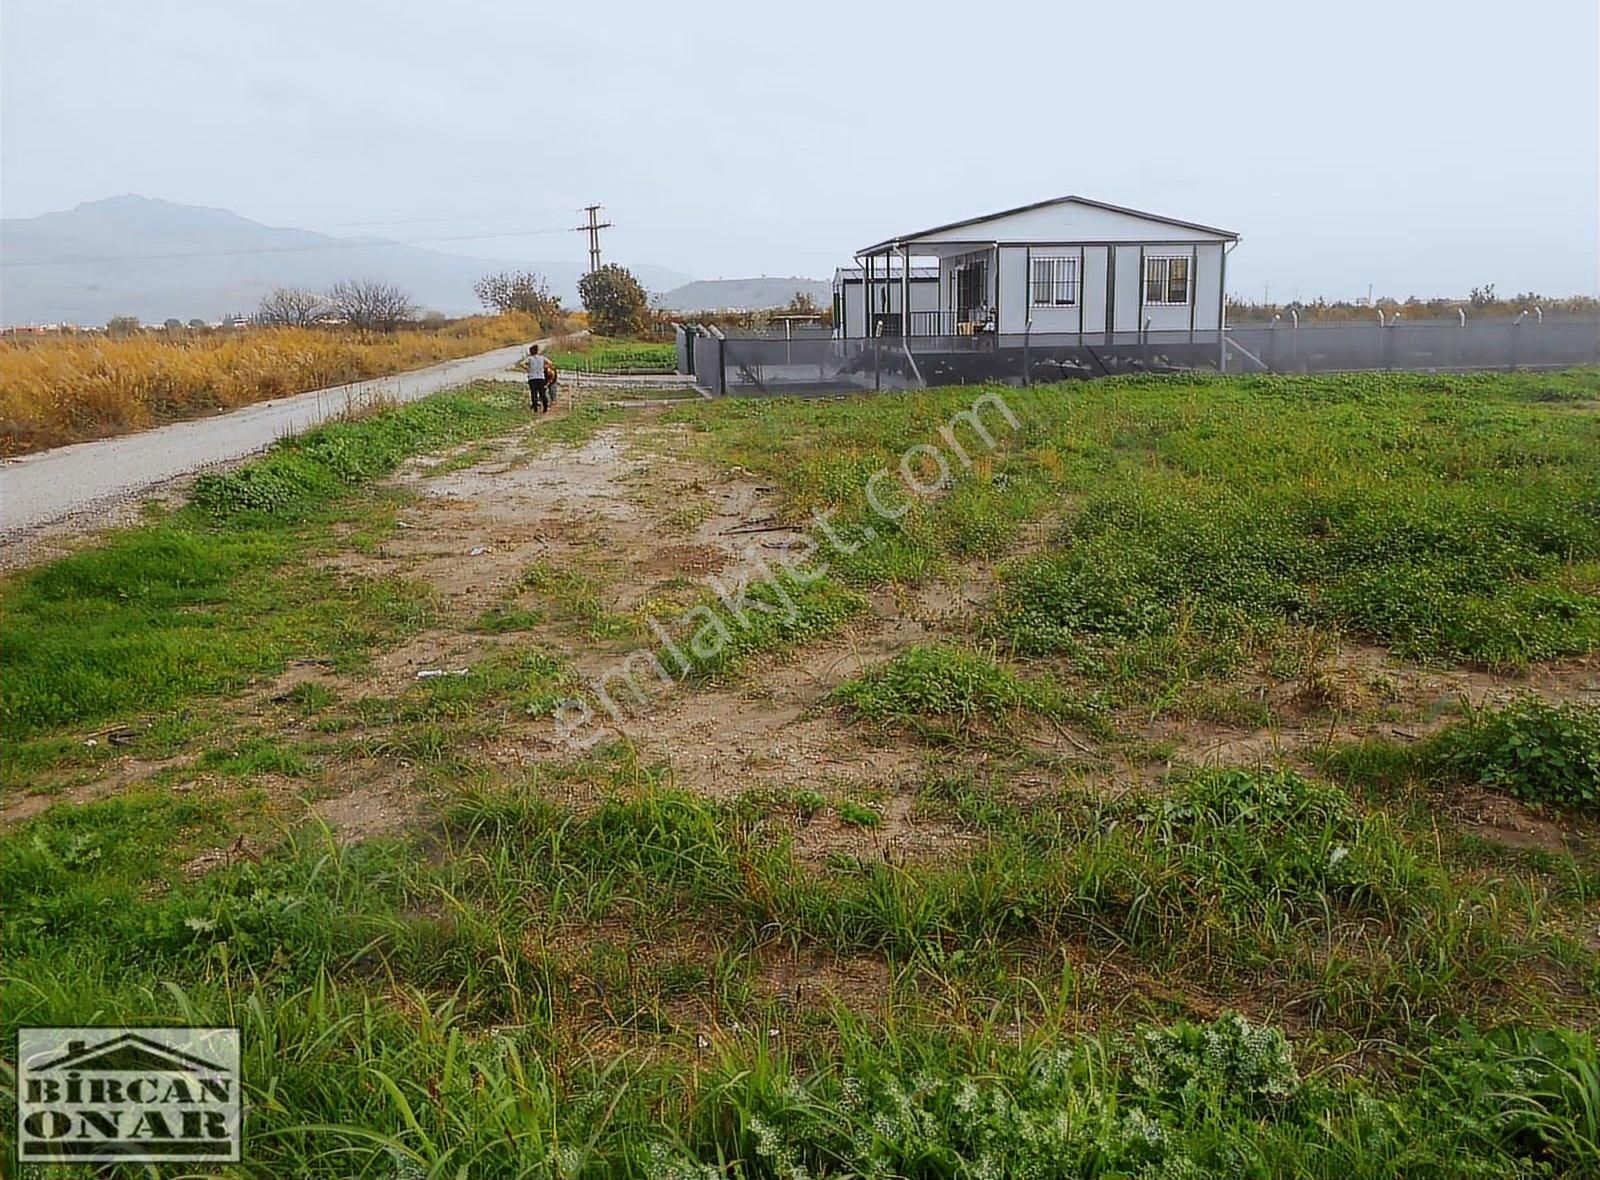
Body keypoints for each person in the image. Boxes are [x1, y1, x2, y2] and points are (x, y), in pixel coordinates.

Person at [526, 344, 550, 412]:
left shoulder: (530, 358)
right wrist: (544, 367)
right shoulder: (542, 357)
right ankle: (545, 407)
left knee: (533, 393)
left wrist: (528, 368)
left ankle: (535, 408)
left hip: (532, 378)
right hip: (541, 377)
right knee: (542, 393)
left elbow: (522, 363)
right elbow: (550, 363)